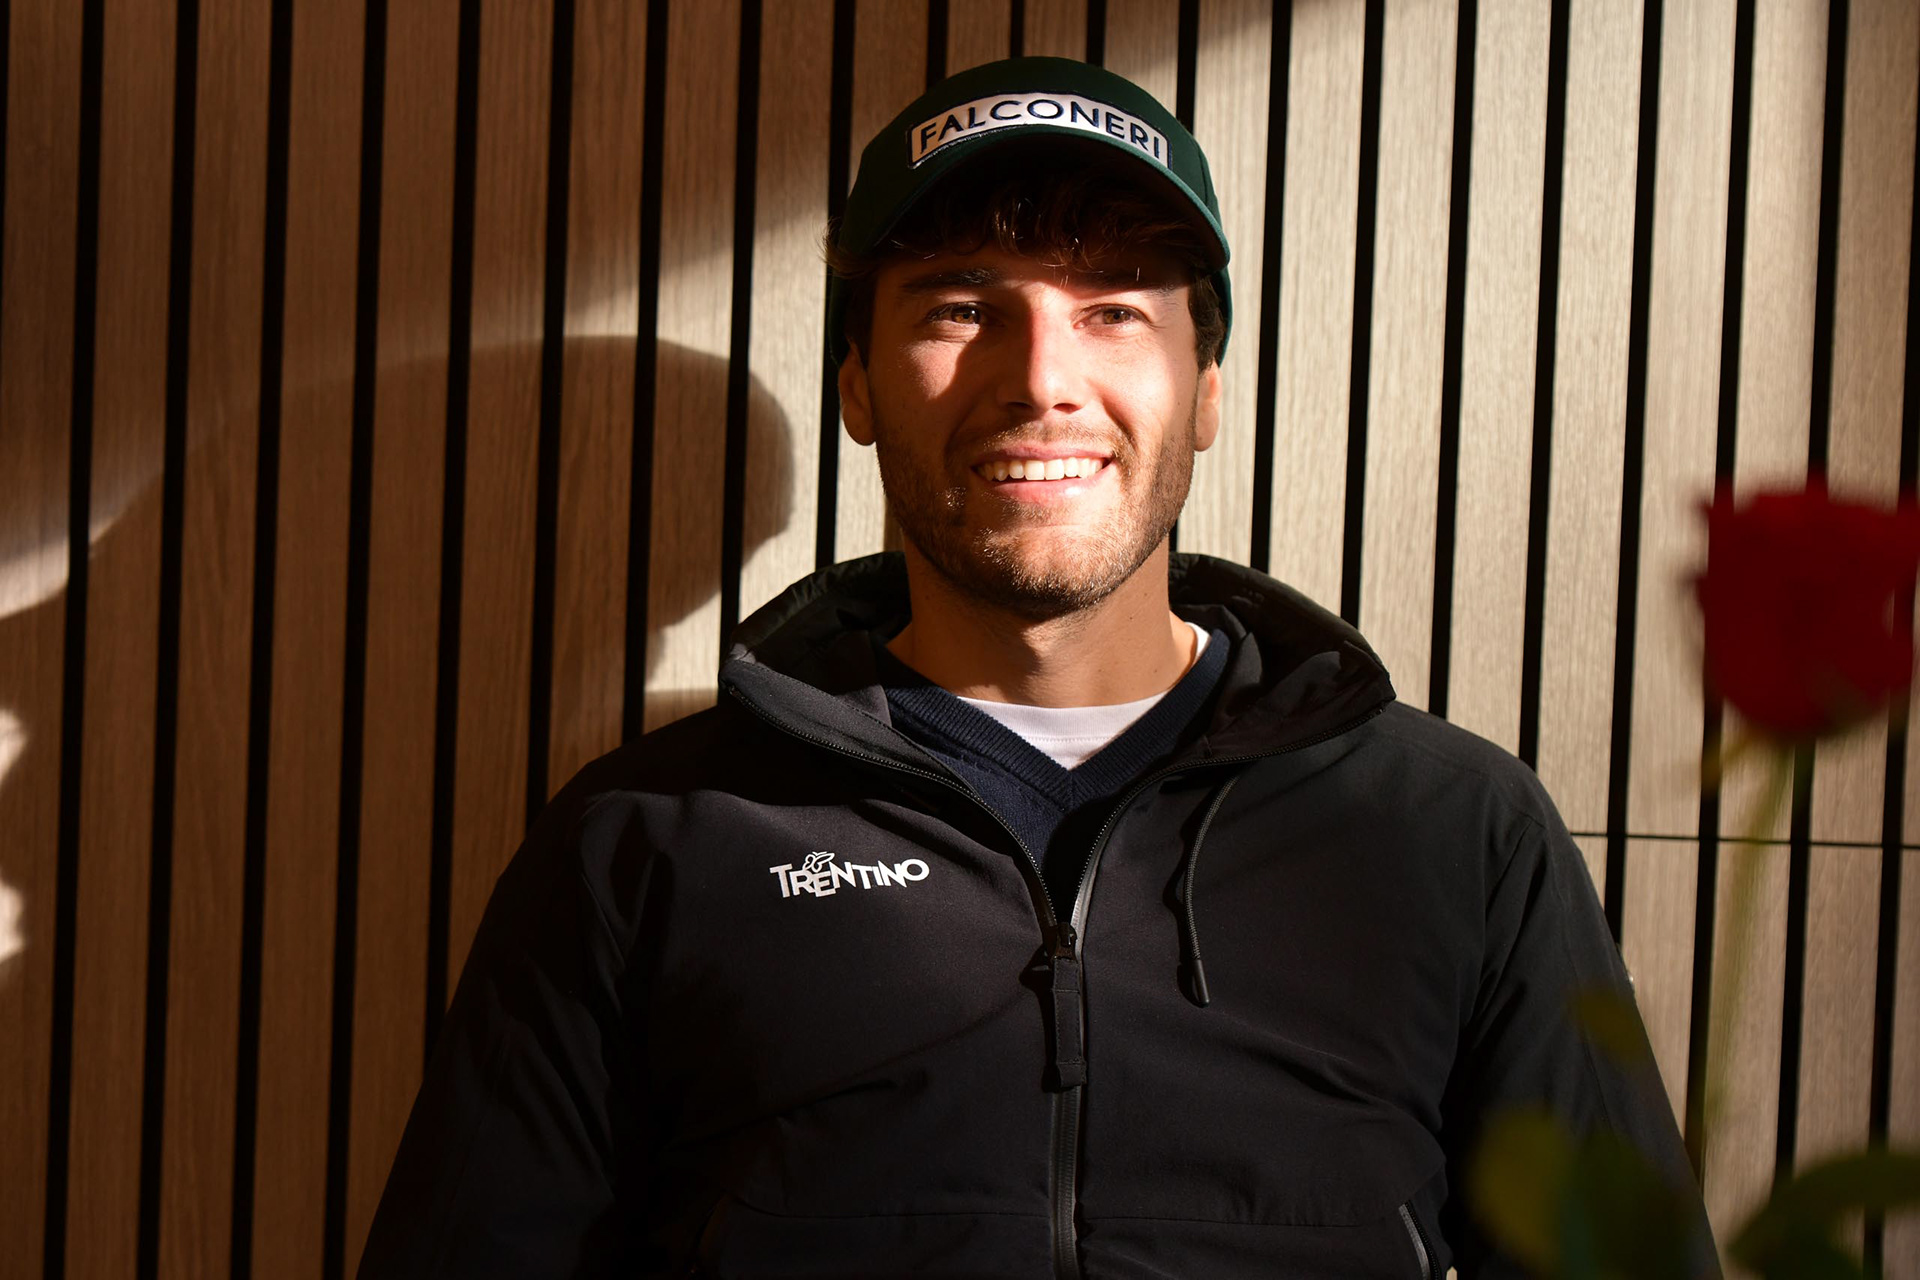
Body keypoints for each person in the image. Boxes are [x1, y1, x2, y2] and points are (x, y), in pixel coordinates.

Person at [360, 56, 1714, 1279]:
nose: (1040, 379)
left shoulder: (1456, 834)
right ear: (858, 385)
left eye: (1113, 310)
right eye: (962, 308)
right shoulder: (646, 843)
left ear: (1207, 388)